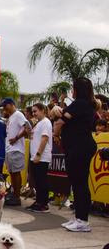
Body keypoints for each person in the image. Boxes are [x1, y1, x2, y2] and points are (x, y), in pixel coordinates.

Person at [54, 77, 98, 232]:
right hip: (77, 147)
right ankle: (78, 217)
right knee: (76, 183)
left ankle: (83, 220)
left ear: (78, 89)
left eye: (73, 88)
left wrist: (57, 130)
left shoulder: (80, 104)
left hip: (81, 147)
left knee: (80, 184)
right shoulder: (84, 105)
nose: (72, 90)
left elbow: (60, 120)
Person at [0, 98, 31, 206]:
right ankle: (13, 194)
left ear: (11, 104)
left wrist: (16, 138)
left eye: (5, 106)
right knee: (12, 173)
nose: (4, 109)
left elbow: (28, 127)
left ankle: (17, 197)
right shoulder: (12, 117)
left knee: (16, 173)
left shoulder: (18, 114)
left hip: (16, 149)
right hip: (10, 149)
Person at [27, 103, 52, 213]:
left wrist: (38, 154)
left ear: (42, 110)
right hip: (35, 157)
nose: (34, 114)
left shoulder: (46, 122)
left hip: (41, 157)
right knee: (37, 181)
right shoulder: (38, 123)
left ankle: (44, 204)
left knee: (42, 181)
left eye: (35, 111)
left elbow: (44, 139)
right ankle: (38, 201)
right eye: (32, 111)